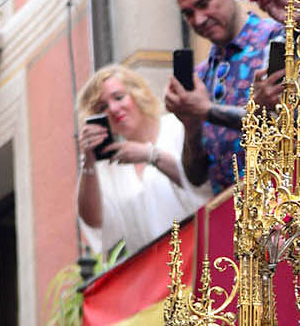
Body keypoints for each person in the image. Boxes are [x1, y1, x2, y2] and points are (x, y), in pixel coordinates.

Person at [77, 62, 208, 257]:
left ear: (138, 94)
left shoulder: (178, 128)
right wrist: (88, 161)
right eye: (102, 107)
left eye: (119, 97)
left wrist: (151, 155)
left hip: (200, 255)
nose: (113, 108)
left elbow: (203, 185)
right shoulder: (111, 165)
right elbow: (94, 221)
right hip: (153, 273)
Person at [164, 0, 284, 193]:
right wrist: (191, 127)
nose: (198, 20)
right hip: (226, 214)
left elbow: (292, 127)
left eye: (204, 4)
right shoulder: (201, 76)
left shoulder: (276, 40)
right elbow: (197, 177)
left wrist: (205, 110)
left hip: (280, 204)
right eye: (188, 13)